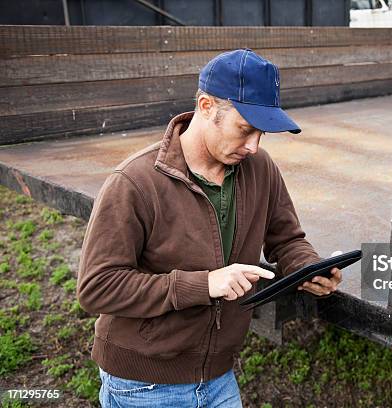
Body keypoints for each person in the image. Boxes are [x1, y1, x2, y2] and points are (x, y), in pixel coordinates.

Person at [76, 49, 342, 408]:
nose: (253, 146)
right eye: (245, 129)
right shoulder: (134, 182)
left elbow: (287, 238)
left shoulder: (260, 168)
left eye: (261, 133)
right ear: (206, 107)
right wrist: (203, 284)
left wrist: (308, 269)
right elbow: (97, 287)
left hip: (218, 376)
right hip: (143, 384)